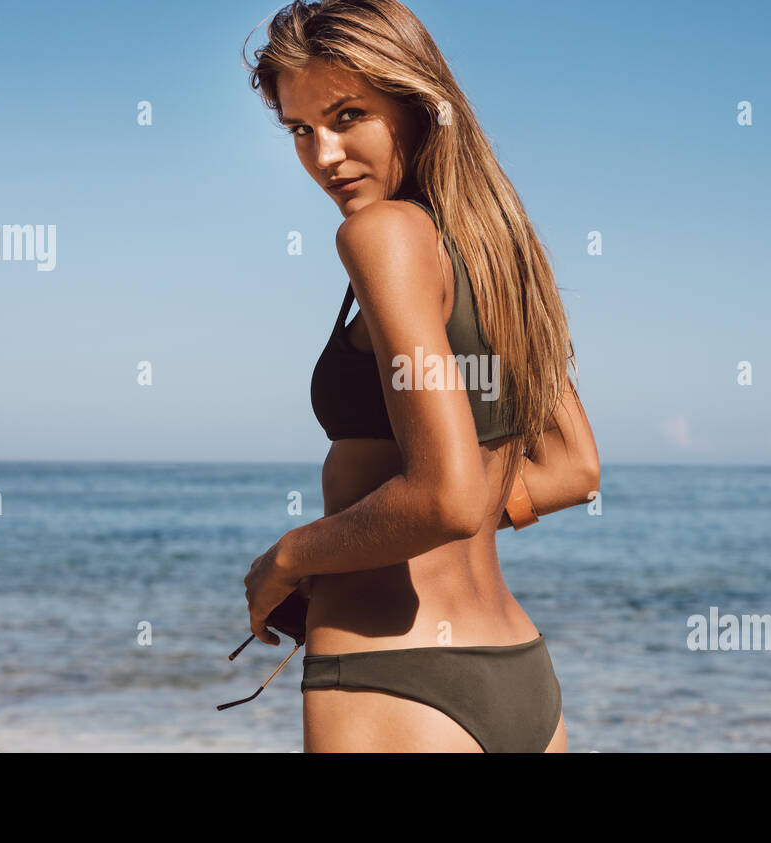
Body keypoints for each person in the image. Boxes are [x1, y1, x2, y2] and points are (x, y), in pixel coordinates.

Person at [241, 0, 599, 752]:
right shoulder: (498, 245)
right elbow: (573, 468)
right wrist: (402, 528)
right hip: (522, 676)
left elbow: (444, 496)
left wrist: (291, 558)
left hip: (390, 682)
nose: (324, 155)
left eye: (347, 116)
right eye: (300, 130)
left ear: (415, 103)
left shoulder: (382, 236)